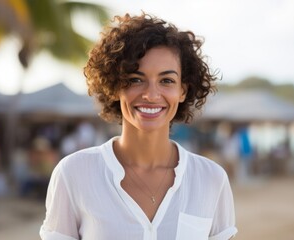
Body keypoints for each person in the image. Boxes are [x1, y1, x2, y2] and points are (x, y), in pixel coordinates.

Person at [40, 13, 237, 240]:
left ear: (182, 91)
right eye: (135, 79)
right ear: (114, 86)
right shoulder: (73, 174)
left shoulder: (211, 179)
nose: (151, 95)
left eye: (166, 81)